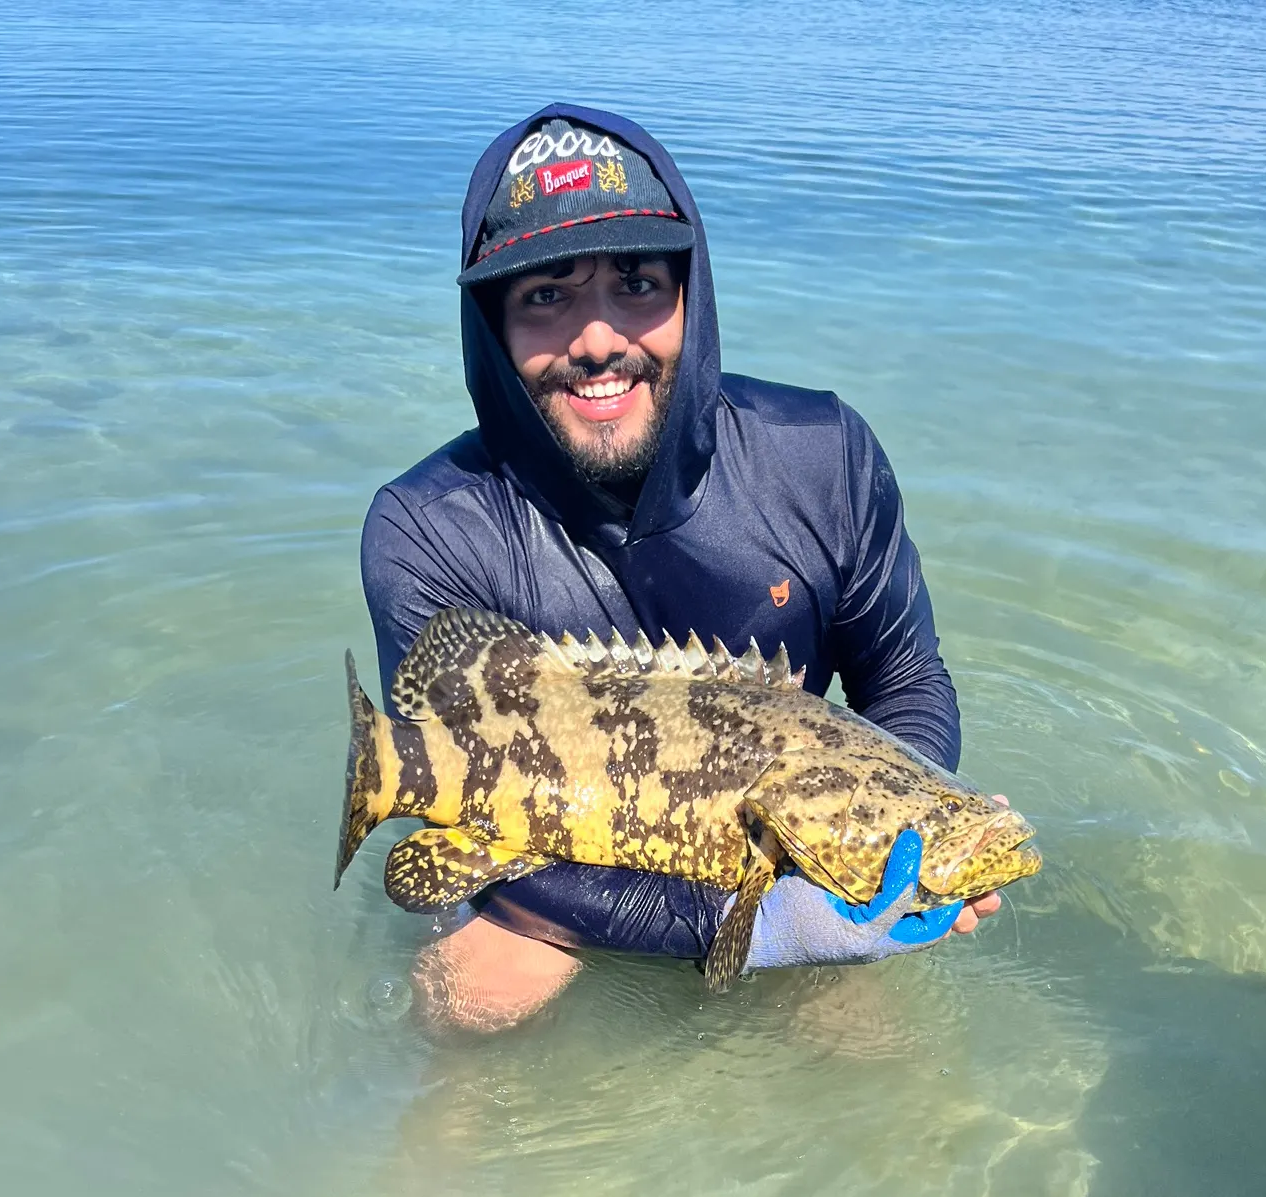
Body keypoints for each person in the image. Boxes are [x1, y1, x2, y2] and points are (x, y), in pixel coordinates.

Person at [361, 105, 1002, 1032]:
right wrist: (750, 930)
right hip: (553, 885)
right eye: (545, 295)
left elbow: (904, 679)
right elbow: (456, 788)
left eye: (636, 282)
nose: (595, 339)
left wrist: (891, 852)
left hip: (773, 854)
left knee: (874, 1038)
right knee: (467, 996)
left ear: (690, 295)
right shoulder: (427, 528)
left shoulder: (823, 457)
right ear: (490, 328)